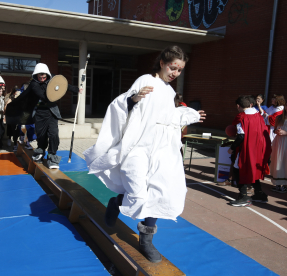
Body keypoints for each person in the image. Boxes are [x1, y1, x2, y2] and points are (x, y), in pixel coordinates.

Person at [83, 46, 206, 263]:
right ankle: (117, 202)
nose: (175, 73)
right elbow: (123, 104)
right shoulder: (144, 80)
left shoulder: (169, 92)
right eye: (173, 67)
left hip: (161, 149)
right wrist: (134, 99)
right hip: (139, 147)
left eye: (180, 70)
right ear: (162, 63)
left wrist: (187, 115)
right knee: (138, 193)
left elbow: (166, 117)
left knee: (159, 192)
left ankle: (146, 240)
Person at [7, 63, 82, 169]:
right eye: (39, 76)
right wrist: (55, 91)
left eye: (44, 76)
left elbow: (64, 85)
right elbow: (44, 96)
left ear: (47, 74)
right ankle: (40, 150)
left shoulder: (52, 79)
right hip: (39, 113)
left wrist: (76, 89)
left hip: (52, 113)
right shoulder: (34, 84)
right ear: (36, 75)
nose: (42, 78)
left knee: (54, 134)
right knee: (41, 135)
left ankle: (52, 156)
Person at [227, 96, 271, 206]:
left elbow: (241, 136)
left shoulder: (241, 117)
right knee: (253, 169)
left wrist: (232, 148)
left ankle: (243, 196)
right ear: (250, 104)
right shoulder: (258, 115)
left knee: (238, 169)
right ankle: (259, 194)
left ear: (238, 106)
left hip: (247, 148)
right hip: (259, 148)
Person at [5, 85, 21, 151]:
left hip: (18, 117)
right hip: (12, 117)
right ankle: (12, 141)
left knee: (17, 131)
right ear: (14, 92)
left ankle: (16, 143)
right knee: (12, 130)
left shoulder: (20, 99)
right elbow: (6, 107)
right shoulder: (11, 98)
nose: (17, 93)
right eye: (16, 92)